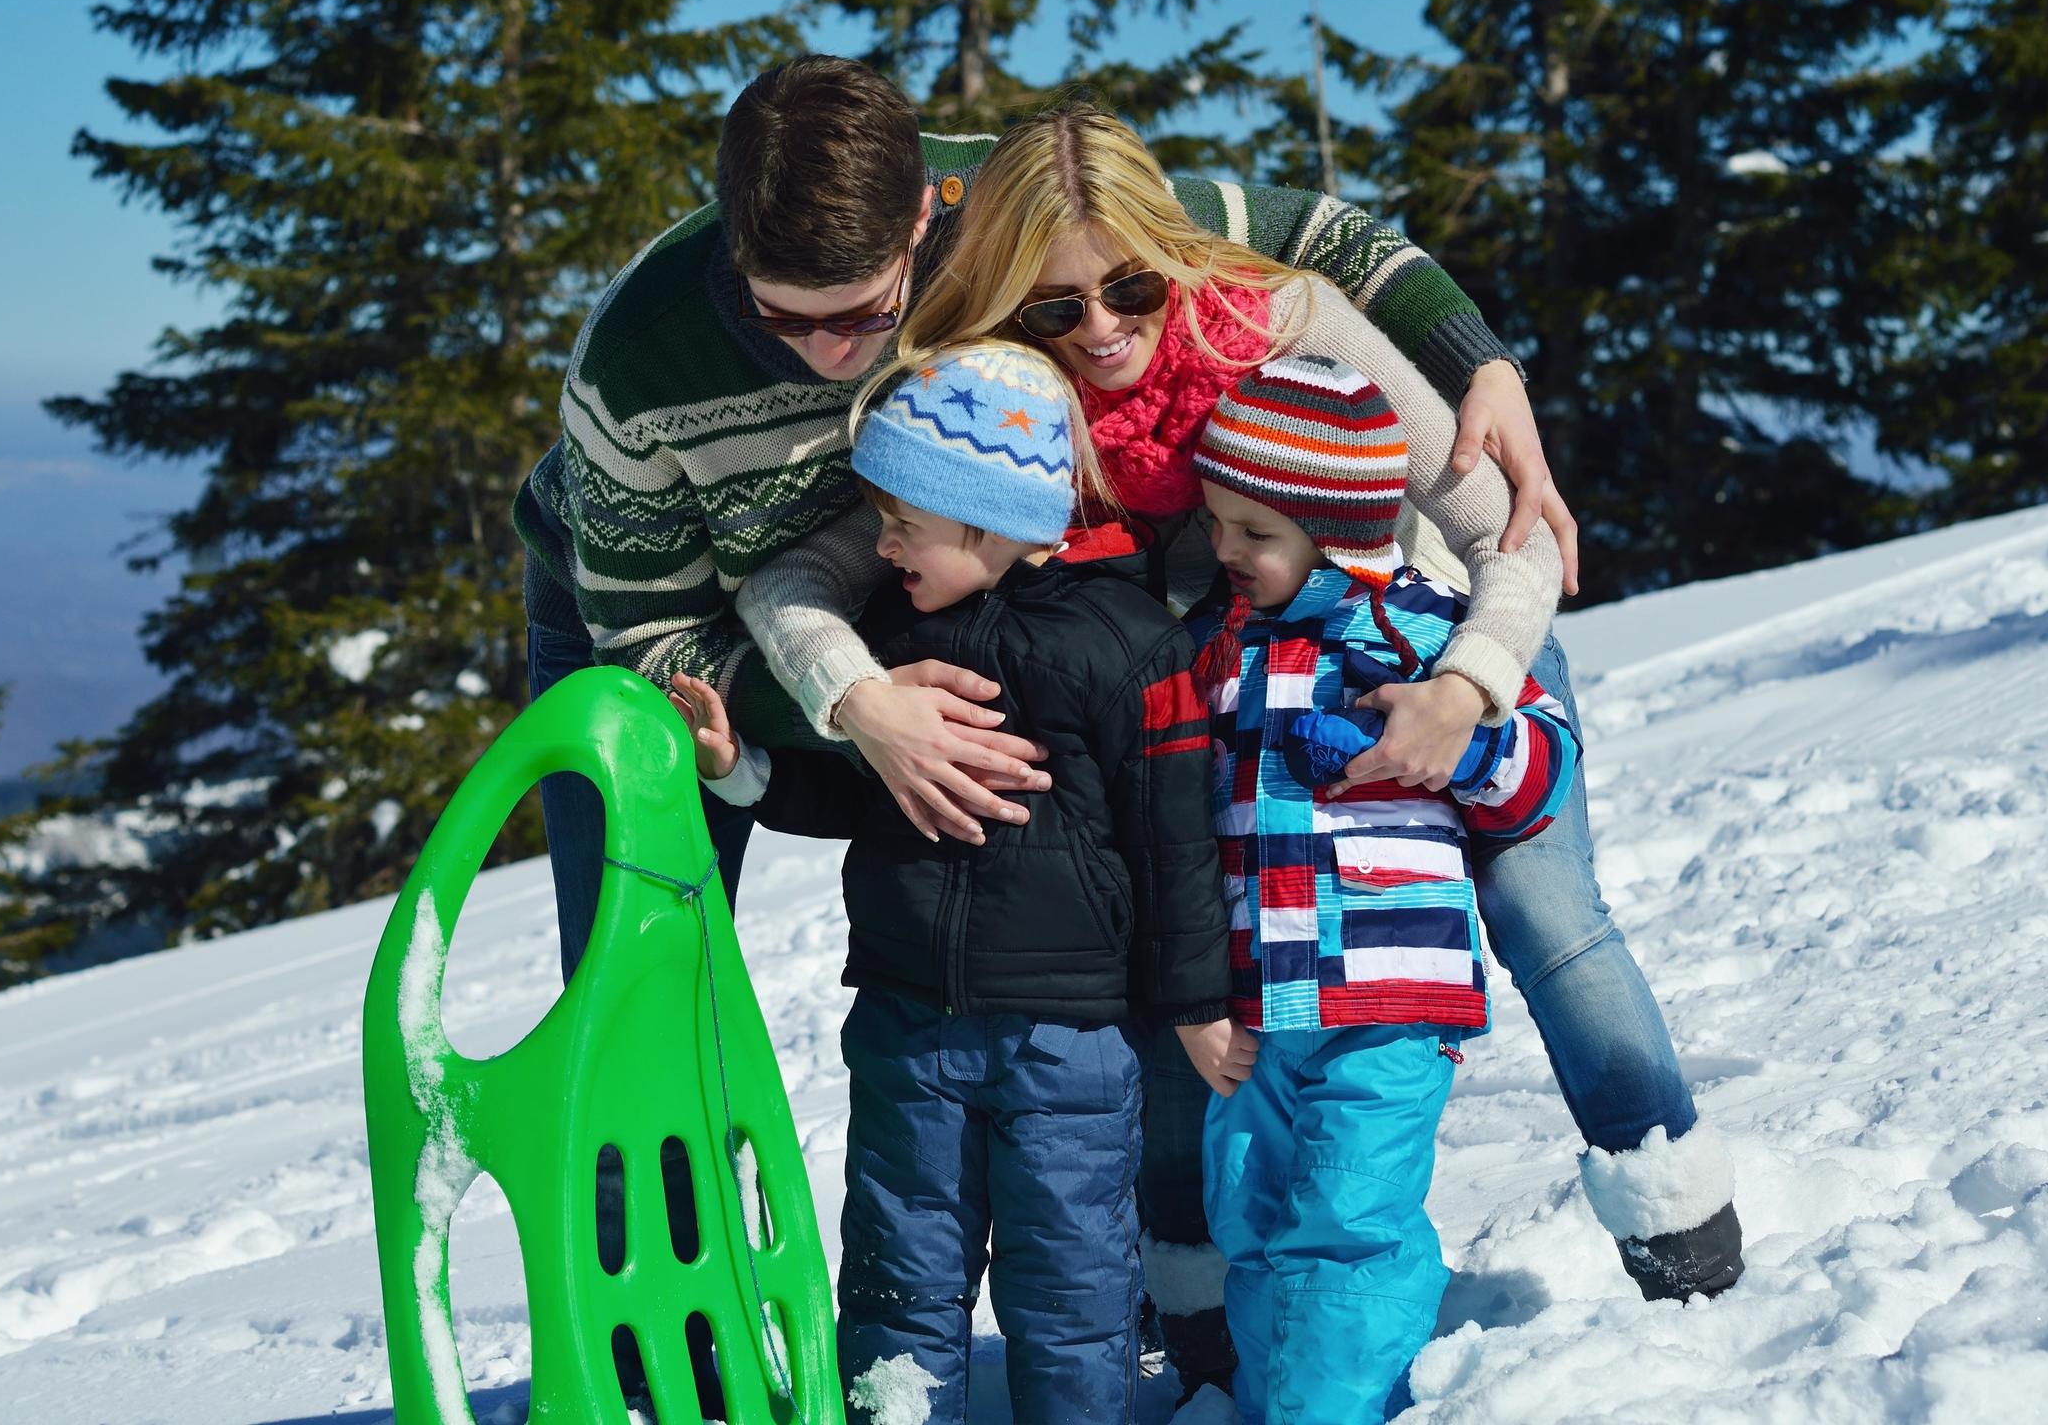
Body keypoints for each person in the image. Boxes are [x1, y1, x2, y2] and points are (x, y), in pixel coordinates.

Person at [737, 106, 1734, 1386]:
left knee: (1542, 904)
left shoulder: (1285, 324)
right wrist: (857, 698)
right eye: (1055, 306)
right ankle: (1207, 1319)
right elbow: (793, 581)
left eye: (1130, 286)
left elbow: (1512, 532)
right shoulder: (1007, 400)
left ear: (1171, 253)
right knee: (1179, 971)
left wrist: (1469, 686)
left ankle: (1683, 1235)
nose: (1099, 326)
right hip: (1251, 696)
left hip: (1442, 636)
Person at [510, 56, 1572, 985]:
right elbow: (654, 646)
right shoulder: (635, 364)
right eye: (788, 316)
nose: (836, 356)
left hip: (893, 578)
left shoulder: (1004, 205)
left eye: (869, 315)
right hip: (649, 624)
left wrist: (1482, 361)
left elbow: (1318, 232)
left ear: (927, 217)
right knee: (638, 967)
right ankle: (652, 1219)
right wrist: (858, 707)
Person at [668, 339, 1231, 1423]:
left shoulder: (1128, 647)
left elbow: (1175, 849)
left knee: (1069, 1278)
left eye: (902, 523)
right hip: (908, 1016)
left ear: (985, 522)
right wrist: (744, 768)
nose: (879, 545)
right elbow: (856, 796)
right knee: (896, 1265)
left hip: (1068, 1035)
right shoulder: (889, 643)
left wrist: (1197, 1005)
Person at [1180, 354, 1580, 1424]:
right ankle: (1276, 1402)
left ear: (1341, 530)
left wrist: (1451, 742)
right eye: (1217, 522)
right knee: (1253, 1214)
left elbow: (1540, 772)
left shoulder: (1423, 633)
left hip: (1385, 1000)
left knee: (1351, 1218)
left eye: (1254, 533)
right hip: (1260, 996)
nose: (1225, 549)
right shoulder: (1219, 650)